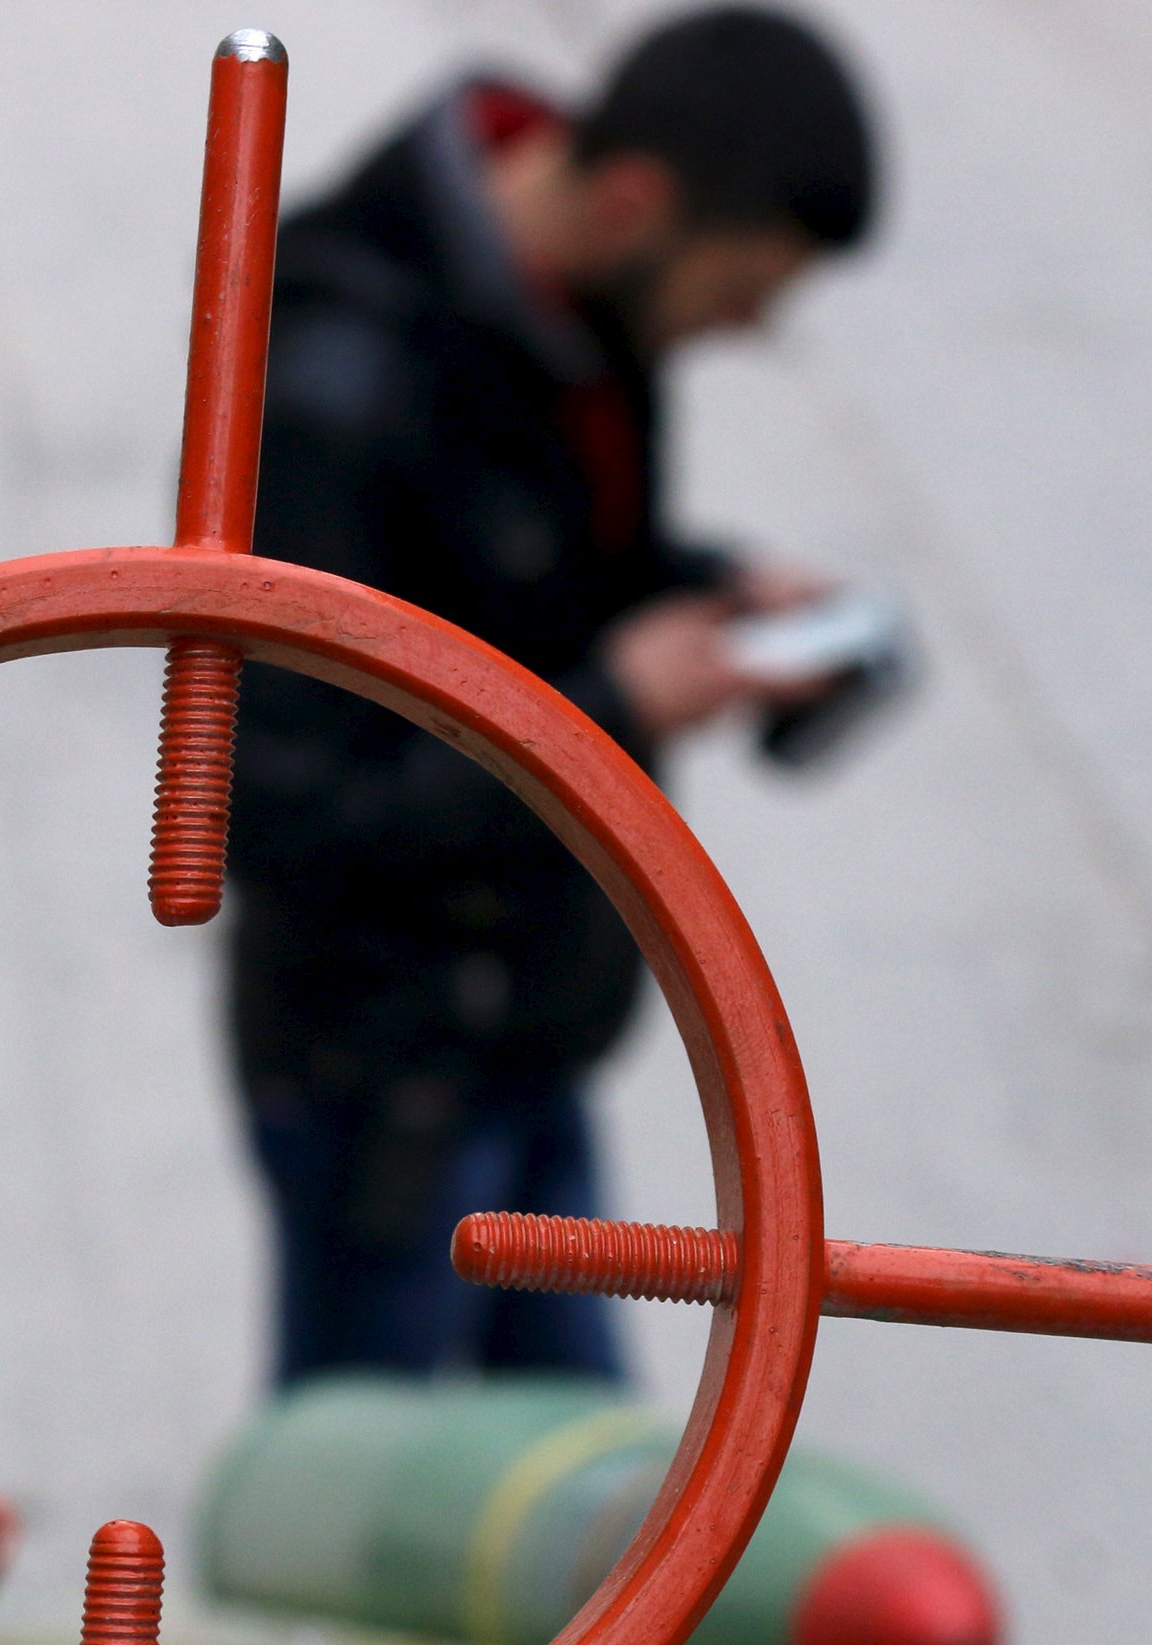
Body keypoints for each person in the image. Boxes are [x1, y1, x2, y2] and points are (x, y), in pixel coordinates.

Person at [229, 6, 879, 1389]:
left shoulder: (576, 302)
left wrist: (711, 590)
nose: (751, 329)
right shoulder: (336, 391)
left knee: (596, 1470)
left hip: (526, 1033)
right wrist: (611, 710)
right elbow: (281, 812)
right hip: (382, 1083)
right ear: (637, 199)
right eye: (743, 289)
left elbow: (535, 573)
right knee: (364, 1486)